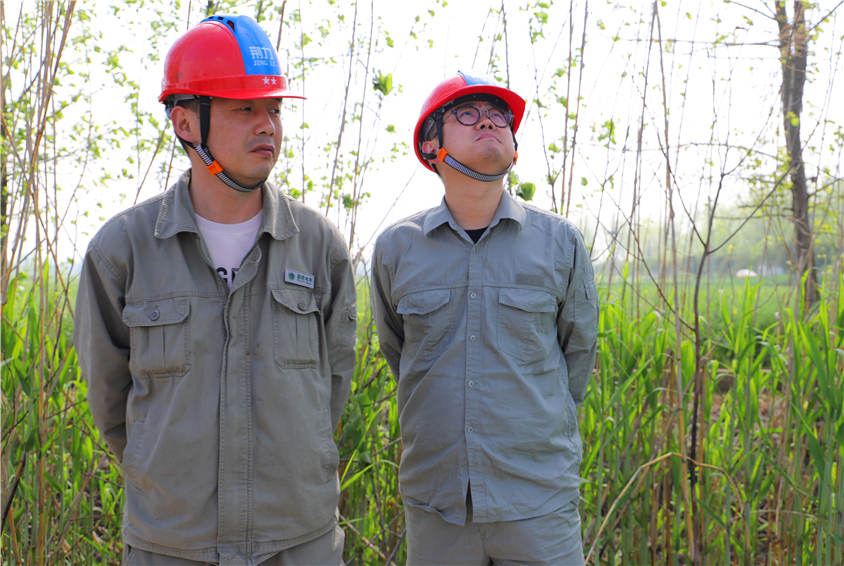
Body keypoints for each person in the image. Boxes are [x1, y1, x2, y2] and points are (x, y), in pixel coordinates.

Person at [73, 15, 357, 566]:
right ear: (185, 122)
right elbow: (110, 400)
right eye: (244, 109)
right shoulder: (122, 250)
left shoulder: (318, 246)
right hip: (171, 544)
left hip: (298, 540)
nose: (267, 125)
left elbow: (332, 387)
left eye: (274, 109)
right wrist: (166, 477)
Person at [370, 71, 598, 565]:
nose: (489, 123)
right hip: (437, 503)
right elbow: (399, 353)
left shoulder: (560, 243)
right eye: (467, 114)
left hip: (538, 500)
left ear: (514, 148)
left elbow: (577, 355)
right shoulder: (396, 248)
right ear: (431, 144)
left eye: (500, 117)